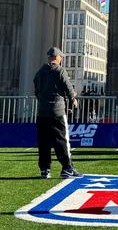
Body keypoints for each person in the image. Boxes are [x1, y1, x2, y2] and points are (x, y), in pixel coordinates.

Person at [33, 47, 82, 179]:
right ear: (58, 58)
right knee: (62, 141)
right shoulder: (60, 71)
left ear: (49, 57)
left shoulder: (40, 72)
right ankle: (67, 168)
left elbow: (36, 89)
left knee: (44, 142)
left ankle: (45, 169)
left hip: (42, 112)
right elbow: (68, 87)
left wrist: (43, 100)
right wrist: (73, 98)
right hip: (57, 111)